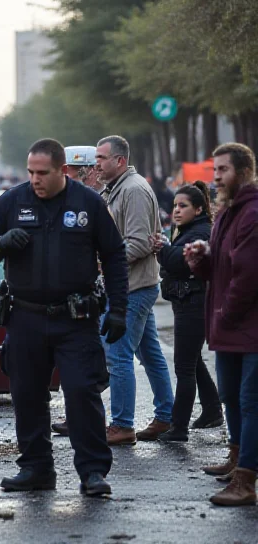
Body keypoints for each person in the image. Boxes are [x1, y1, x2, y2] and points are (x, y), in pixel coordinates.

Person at [0, 138, 128, 496]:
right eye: (31, 172)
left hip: (75, 318)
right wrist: (1, 243)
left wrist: (120, 308)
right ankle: (36, 469)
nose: (36, 179)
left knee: (81, 394)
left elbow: (115, 256)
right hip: (25, 317)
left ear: (62, 171)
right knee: (27, 397)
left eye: (43, 173)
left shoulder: (87, 203)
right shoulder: (13, 201)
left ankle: (92, 473)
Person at [186, 143, 258, 506]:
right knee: (230, 395)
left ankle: (246, 481)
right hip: (230, 327)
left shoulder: (252, 213)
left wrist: (226, 312)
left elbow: (248, 274)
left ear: (243, 172)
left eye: (223, 170)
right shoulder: (227, 212)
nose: (215, 178)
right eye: (214, 171)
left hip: (249, 327)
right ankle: (236, 458)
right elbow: (222, 266)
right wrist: (201, 259)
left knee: (250, 401)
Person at [96, 135, 174, 445]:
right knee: (150, 353)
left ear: (119, 160)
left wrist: (104, 262)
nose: (96, 164)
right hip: (133, 283)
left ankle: (122, 425)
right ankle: (167, 416)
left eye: (101, 158)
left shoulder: (134, 190)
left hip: (133, 286)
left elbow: (141, 243)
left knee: (118, 355)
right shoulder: (117, 188)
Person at [150, 182, 223, 442]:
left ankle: (178, 427)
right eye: (175, 206)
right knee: (192, 361)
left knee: (184, 366)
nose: (177, 211)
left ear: (199, 208)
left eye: (183, 206)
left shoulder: (200, 231)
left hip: (193, 304)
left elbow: (180, 264)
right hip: (186, 303)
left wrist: (162, 248)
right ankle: (213, 410)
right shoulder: (188, 229)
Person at [51, 145, 106, 438]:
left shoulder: (93, 202)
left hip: (91, 294)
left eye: (69, 171)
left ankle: (94, 422)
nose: (65, 176)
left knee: (96, 364)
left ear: (88, 171)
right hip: (79, 295)